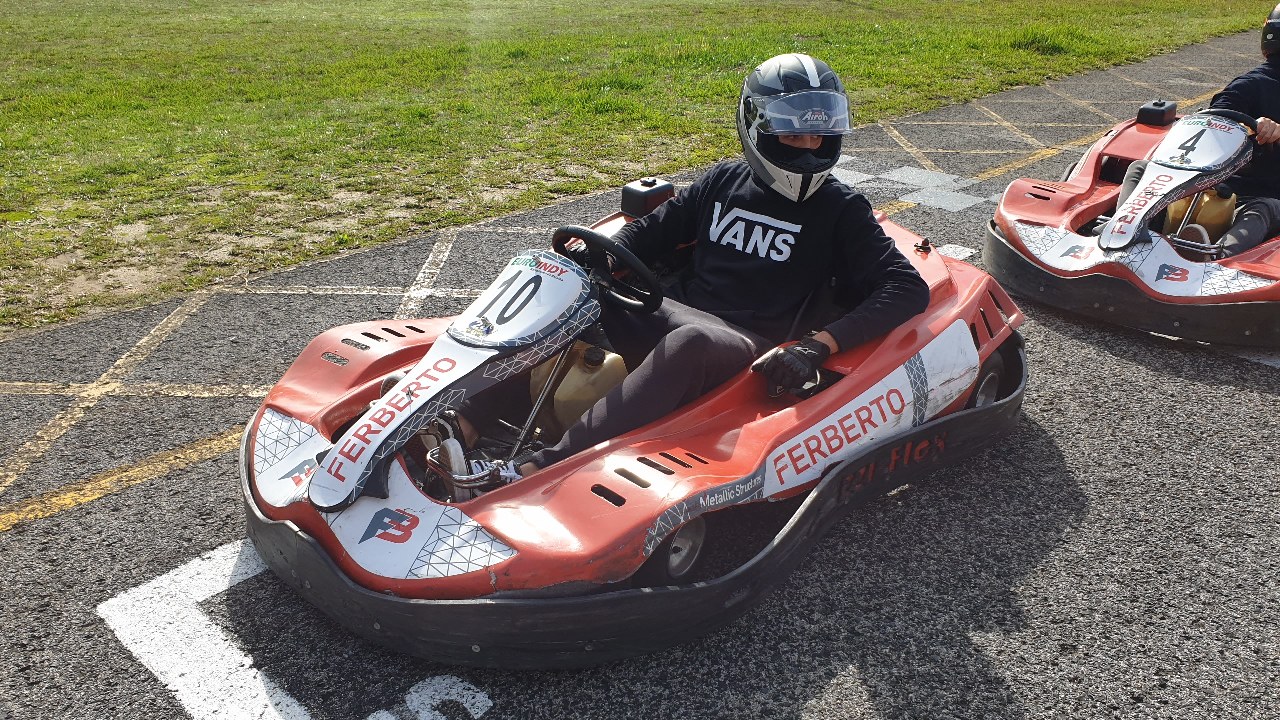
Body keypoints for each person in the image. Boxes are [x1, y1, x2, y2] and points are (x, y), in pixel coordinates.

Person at [451, 53, 931, 481]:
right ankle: (465, 423)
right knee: (569, 295)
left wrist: (819, 345)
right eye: (793, 133)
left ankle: (537, 468)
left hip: (746, 345)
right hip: (676, 311)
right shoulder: (724, 180)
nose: (808, 148)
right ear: (757, 126)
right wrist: (591, 261)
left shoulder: (840, 209)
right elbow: (649, 231)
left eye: (818, 135)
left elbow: (906, 288)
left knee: (688, 342)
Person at [1116, 4, 1280, 255]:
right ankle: (1126, 228)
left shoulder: (1248, 83)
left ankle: (1213, 256)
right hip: (1211, 184)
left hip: (1261, 196)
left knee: (1262, 208)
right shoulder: (1249, 85)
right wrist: (1251, 127)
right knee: (1141, 169)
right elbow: (1217, 120)